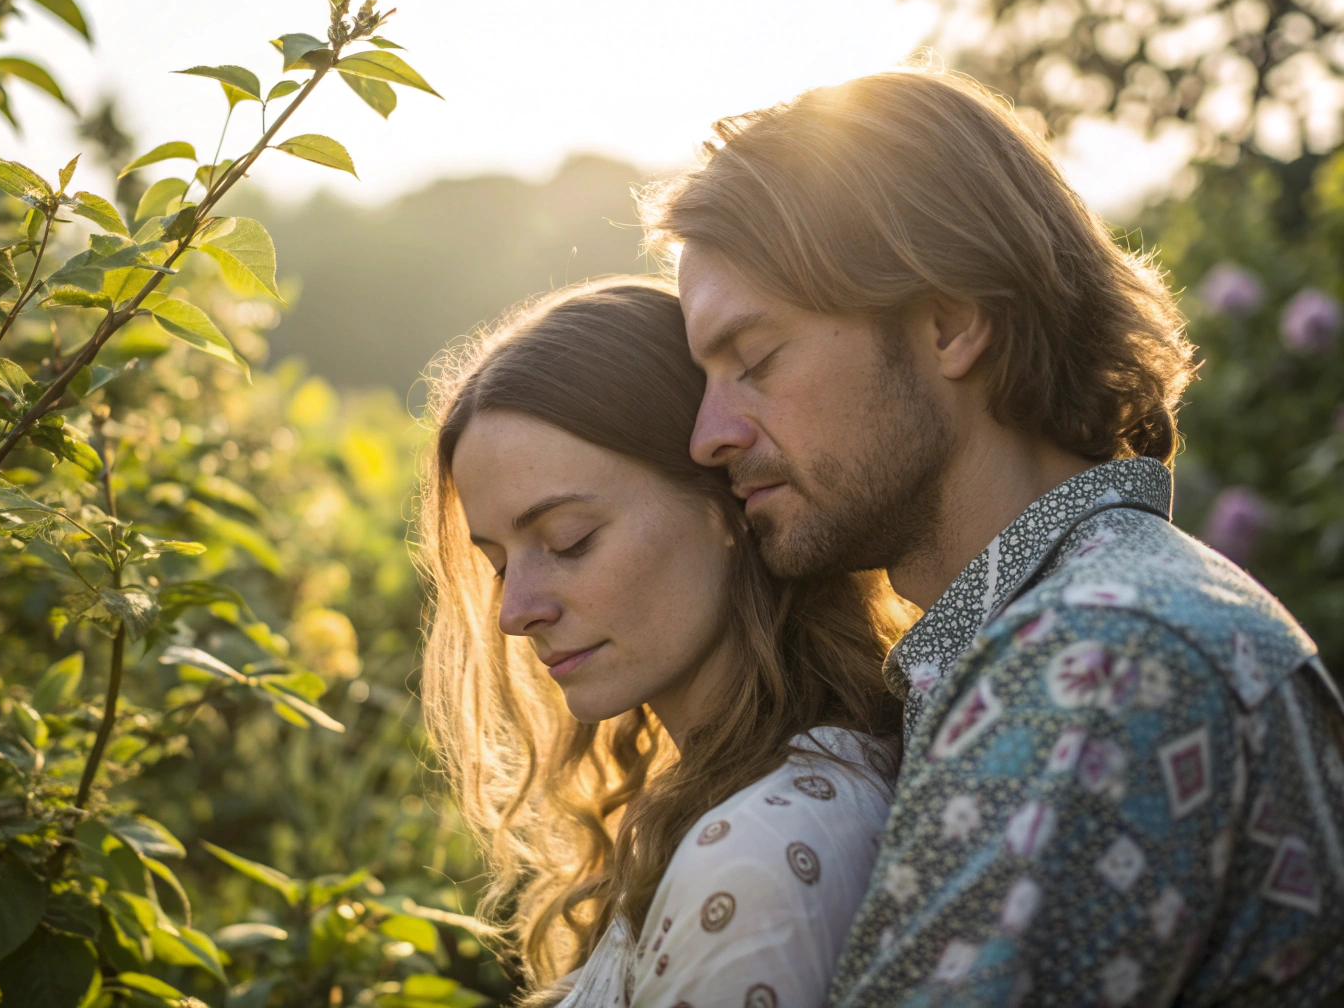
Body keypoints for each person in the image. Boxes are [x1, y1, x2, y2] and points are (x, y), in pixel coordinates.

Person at [643, 67, 1344, 1006]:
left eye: (756, 359)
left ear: (950, 323)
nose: (709, 434)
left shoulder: (1092, 663)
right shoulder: (1092, 620)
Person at [417, 278, 912, 1008]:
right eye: (497, 564)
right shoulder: (741, 802)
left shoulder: (757, 855)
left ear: (727, 502)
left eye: (569, 540)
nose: (514, 613)